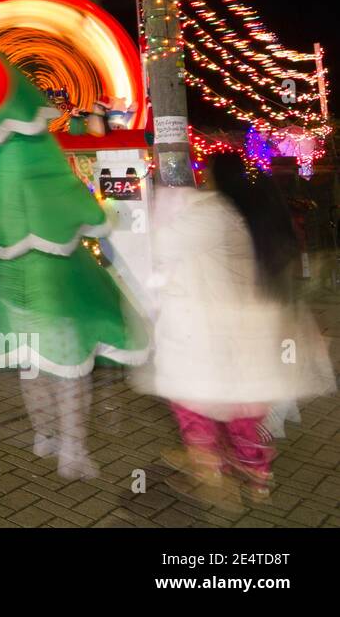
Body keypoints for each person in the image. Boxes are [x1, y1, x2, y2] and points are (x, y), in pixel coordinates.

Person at [134, 152, 335, 505]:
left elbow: (163, 248)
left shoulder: (209, 212)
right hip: (251, 325)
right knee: (241, 406)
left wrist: (164, 211)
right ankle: (256, 476)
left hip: (206, 327)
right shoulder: (253, 206)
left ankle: (210, 468)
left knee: (196, 400)